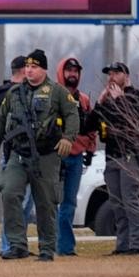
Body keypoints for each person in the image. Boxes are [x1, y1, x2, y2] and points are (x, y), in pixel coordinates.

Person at [0, 49, 79, 262]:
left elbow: (72, 115)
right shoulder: (14, 93)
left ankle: (47, 248)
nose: (29, 70)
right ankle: (17, 244)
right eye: (27, 66)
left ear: (43, 69)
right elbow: (1, 120)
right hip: (18, 154)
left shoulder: (57, 92)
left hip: (46, 155)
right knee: (9, 192)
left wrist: (68, 138)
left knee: (46, 203)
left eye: (34, 66)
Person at [83, 62, 139, 256]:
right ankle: (123, 245)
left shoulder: (137, 97)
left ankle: (138, 245)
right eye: (109, 73)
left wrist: (121, 99)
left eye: (116, 73)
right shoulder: (108, 101)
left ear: (126, 76)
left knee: (130, 199)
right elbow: (88, 127)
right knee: (117, 202)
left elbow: (135, 118)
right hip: (112, 156)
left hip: (131, 155)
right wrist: (99, 103)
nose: (111, 77)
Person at [55, 57, 97, 256]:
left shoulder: (84, 100)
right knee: (54, 202)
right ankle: (54, 244)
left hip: (77, 157)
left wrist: (90, 150)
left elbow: (91, 128)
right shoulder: (53, 96)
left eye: (76, 71)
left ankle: (65, 247)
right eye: (69, 70)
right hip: (56, 156)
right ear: (61, 72)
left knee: (69, 203)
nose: (73, 74)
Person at [0, 56, 35, 256]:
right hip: (13, 156)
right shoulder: (7, 94)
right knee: (14, 203)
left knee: (26, 206)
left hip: (30, 154)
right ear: (22, 71)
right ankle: (8, 245)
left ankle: (19, 244)